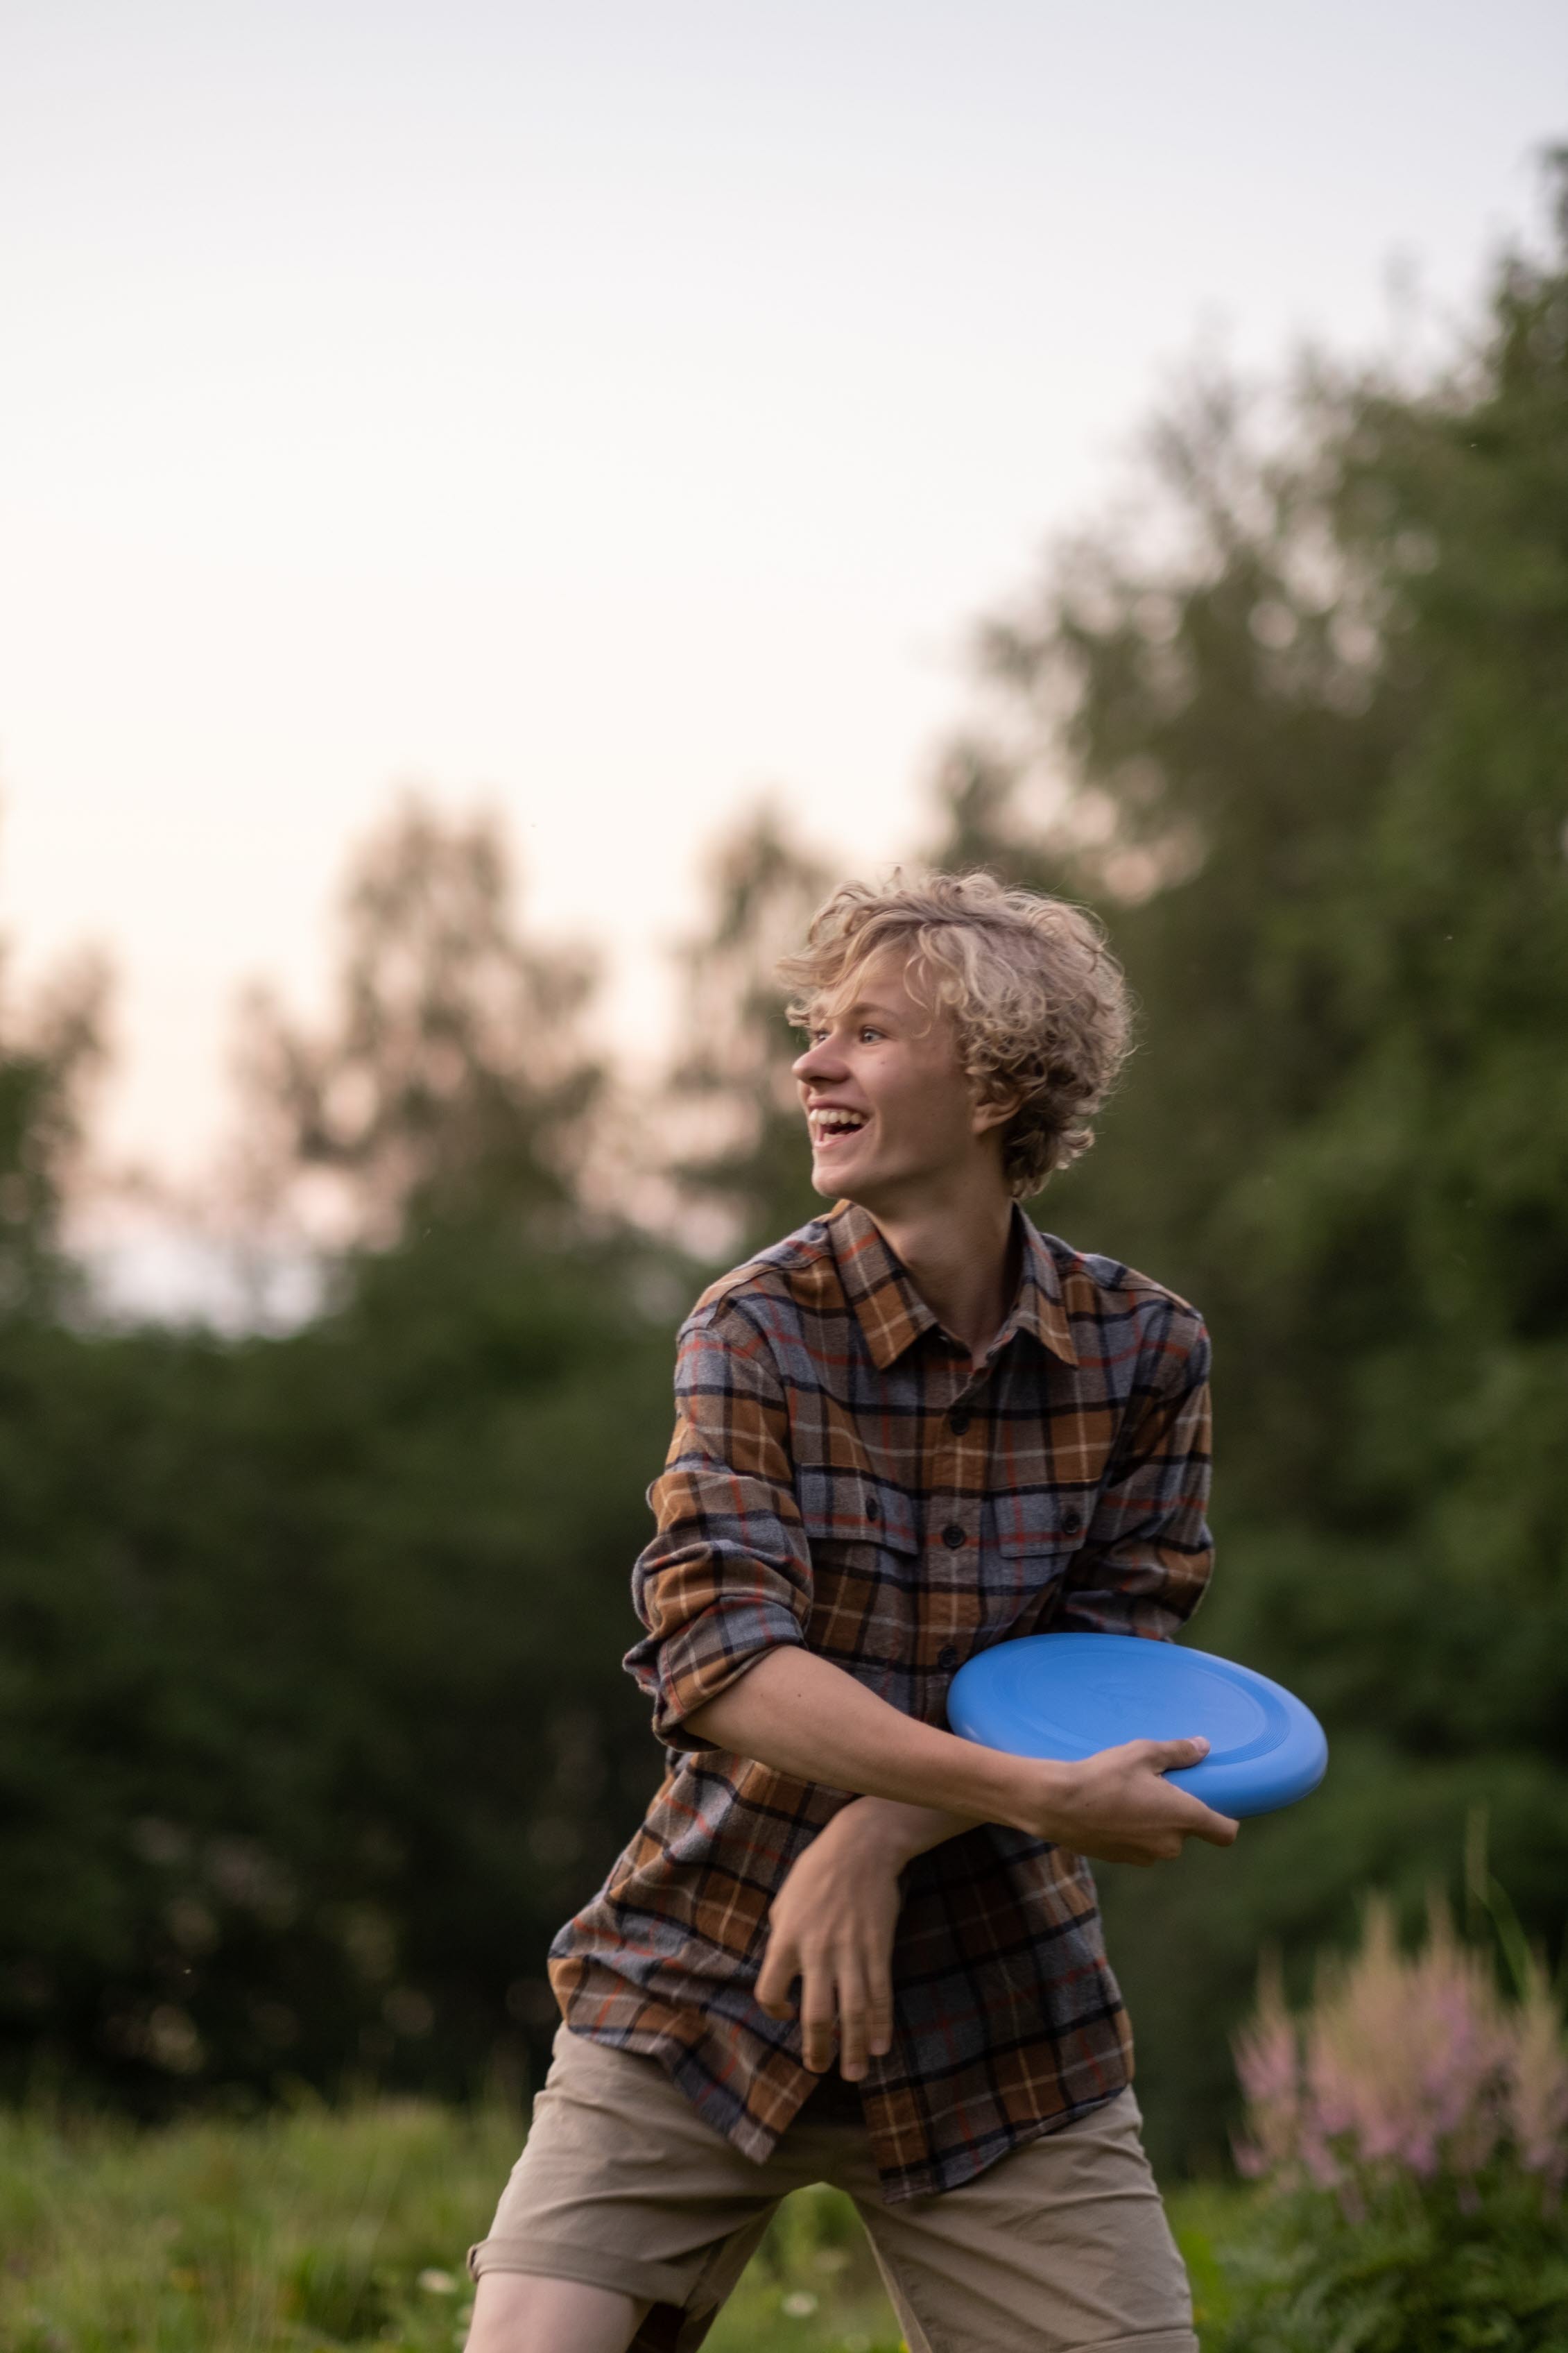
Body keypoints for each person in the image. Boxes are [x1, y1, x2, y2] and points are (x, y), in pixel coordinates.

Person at [466, 870, 1238, 2353]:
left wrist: (879, 1834)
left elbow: (1107, 1655)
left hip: (1002, 2009)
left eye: (867, 1034)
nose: (811, 1066)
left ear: (1000, 1079)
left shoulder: (1147, 1350)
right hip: (698, 1981)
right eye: (817, 1032)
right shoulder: (754, 1327)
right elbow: (722, 1662)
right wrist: (1020, 1790)